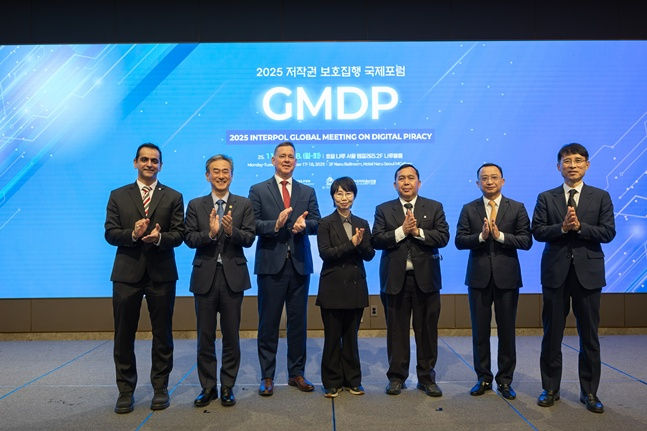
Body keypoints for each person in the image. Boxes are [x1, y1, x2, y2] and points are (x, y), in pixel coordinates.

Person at [532, 143, 615, 413]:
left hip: (588, 275)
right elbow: (538, 231)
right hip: (555, 274)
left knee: (589, 336)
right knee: (551, 335)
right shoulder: (546, 197)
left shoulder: (600, 196)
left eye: (578, 160)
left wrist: (580, 228)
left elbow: (608, 232)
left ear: (587, 165)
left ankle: (589, 392)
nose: (573, 165)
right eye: (567, 161)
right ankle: (550, 389)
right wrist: (562, 227)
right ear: (559, 167)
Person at [104, 143, 185, 414]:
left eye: (154, 160)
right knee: (123, 335)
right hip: (126, 275)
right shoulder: (118, 195)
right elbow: (110, 233)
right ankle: (125, 391)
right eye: (145, 159)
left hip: (161, 274)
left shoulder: (173, 196)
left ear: (161, 165)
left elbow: (179, 234)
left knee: (163, 334)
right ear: (135, 162)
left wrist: (160, 238)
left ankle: (160, 388)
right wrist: (133, 234)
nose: (150, 164)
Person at [248, 141, 321, 395]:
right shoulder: (258, 190)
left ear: (296, 162)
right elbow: (252, 225)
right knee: (268, 323)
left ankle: (296, 373)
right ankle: (267, 376)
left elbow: (317, 222)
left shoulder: (307, 191)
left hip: (299, 265)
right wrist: (276, 225)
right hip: (270, 265)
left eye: (291, 156)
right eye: (282, 156)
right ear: (273, 160)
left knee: (298, 323)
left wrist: (305, 226)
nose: (287, 160)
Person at [455, 163, 532, 400]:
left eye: (494, 177)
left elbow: (526, 241)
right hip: (478, 278)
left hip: (507, 278)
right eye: (484, 178)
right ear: (478, 183)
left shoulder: (516, 207)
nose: (489, 181)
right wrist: (481, 236)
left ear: (502, 181)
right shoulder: (469, 208)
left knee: (507, 331)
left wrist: (500, 236)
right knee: (480, 331)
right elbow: (459, 241)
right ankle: (483, 378)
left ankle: (505, 380)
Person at [372, 163, 449, 397]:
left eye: (411, 178)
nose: (406, 182)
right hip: (395, 279)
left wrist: (417, 232)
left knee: (427, 331)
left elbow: (443, 237)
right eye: (401, 178)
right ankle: (397, 377)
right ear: (394, 184)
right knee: (397, 331)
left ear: (419, 183)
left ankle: (426, 378)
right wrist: (402, 231)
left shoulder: (434, 207)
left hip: (426, 279)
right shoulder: (384, 209)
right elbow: (377, 240)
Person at [184, 154, 255, 408]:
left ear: (232, 176)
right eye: (216, 171)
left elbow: (249, 238)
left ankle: (227, 387)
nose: (221, 176)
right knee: (204, 336)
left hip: (233, 278)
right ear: (207, 176)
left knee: (231, 335)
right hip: (205, 277)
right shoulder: (196, 205)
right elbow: (189, 238)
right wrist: (211, 234)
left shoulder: (244, 204)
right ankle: (207, 387)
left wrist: (230, 231)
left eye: (226, 171)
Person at [316, 177, 375, 398]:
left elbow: (369, 255)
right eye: (339, 193)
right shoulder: (325, 223)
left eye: (348, 193)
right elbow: (326, 254)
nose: (344, 197)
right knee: (332, 337)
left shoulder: (362, 223)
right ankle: (331, 381)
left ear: (354, 196)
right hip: (332, 287)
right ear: (333, 197)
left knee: (351, 337)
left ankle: (353, 380)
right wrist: (351, 244)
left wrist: (360, 245)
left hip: (355, 286)